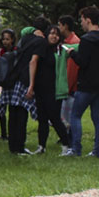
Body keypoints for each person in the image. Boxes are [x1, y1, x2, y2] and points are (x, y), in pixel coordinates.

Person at [65, 6, 99, 158]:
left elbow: (83, 62)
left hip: (87, 84)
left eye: (81, 20)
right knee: (98, 118)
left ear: (88, 20)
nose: (81, 23)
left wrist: (72, 53)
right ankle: (97, 150)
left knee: (75, 116)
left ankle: (76, 148)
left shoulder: (86, 40)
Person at [6, 19, 47, 155]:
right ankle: (19, 146)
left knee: (13, 113)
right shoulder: (40, 42)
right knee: (22, 114)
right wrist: (31, 85)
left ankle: (12, 146)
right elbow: (33, 61)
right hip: (25, 80)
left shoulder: (25, 38)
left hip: (14, 78)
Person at [28, 25, 71, 154]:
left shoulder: (60, 50)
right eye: (51, 33)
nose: (54, 36)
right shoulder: (41, 48)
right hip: (40, 89)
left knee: (54, 117)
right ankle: (41, 146)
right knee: (42, 119)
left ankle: (66, 145)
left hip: (54, 90)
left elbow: (76, 47)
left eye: (57, 34)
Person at [58, 15, 82, 129]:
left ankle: (70, 138)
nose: (58, 28)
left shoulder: (73, 43)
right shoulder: (65, 41)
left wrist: (67, 87)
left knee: (69, 116)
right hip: (67, 87)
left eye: (59, 25)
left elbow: (72, 69)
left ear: (65, 26)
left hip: (70, 88)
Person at [0, 28, 16, 141]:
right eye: (3, 39)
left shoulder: (16, 51)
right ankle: (3, 134)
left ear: (12, 39)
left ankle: (11, 133)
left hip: (13, 84)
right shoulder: (2, 51)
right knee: (1, 107)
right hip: (5, 85)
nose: (5, 41)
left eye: (7, 39)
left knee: (13, 109)